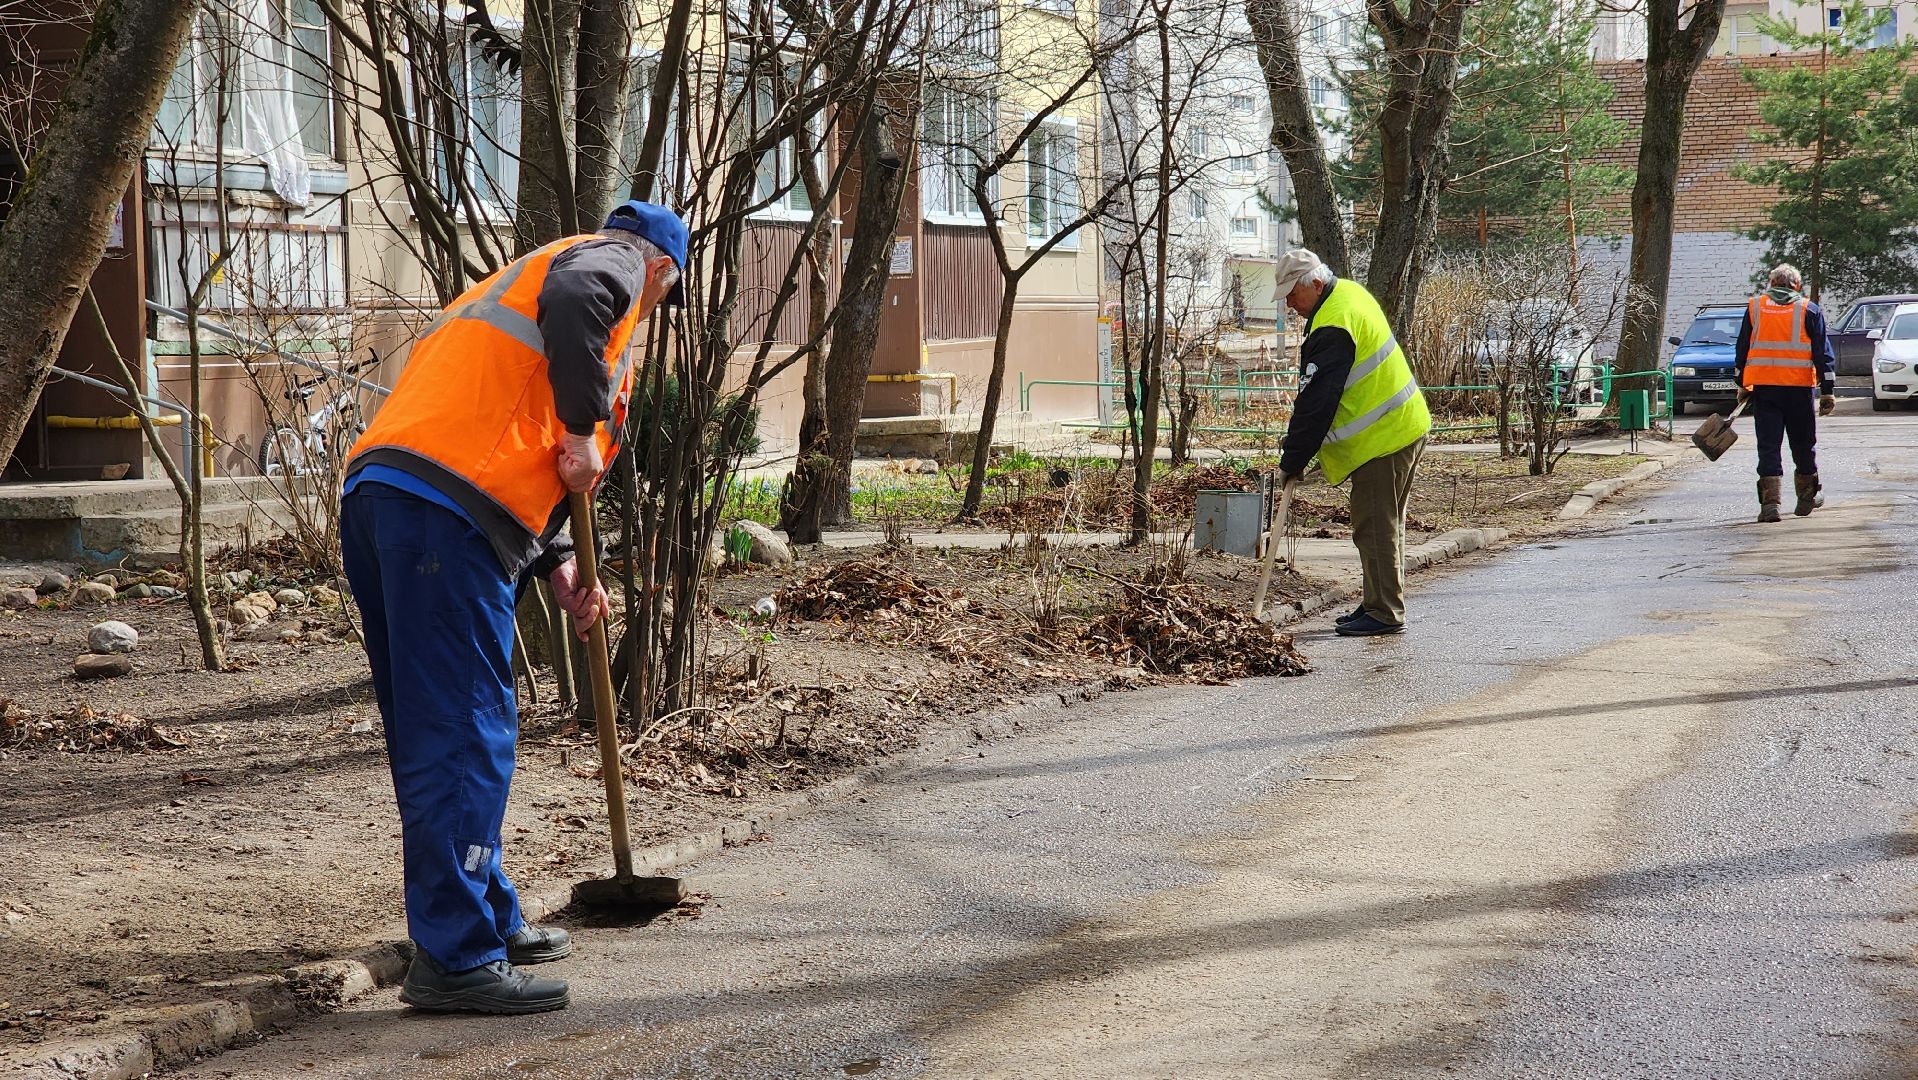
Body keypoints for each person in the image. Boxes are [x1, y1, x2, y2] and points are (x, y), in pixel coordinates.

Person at [338, 201, 686, 1014]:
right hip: (443, 515)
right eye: (663, 295)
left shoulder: (513, 279)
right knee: (463, 731)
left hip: (392, 496)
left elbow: (501, 425)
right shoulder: (612, 265)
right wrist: (586, 426)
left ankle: (485, 912)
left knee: (441, 728)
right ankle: (456, 958)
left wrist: (559, 561)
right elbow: (579, 314)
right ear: (664, 270)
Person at [1272, 249, 1432, 637]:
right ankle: (1380, 598)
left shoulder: (1332, 324)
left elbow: (1317, 402)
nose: (1289, 303)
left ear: (1314, 282)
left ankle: (1384, 611)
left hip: (1383, 438)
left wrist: (1293, 459)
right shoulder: (1348, 294)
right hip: (1403, 425)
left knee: (1374, 526)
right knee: (1386, 525)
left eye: (1292, 293)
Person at [1735, 263, 1835, 522]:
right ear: (1797, 286)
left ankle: (1770, 506)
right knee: (1803, 443)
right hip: (1799, 389)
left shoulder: (1755, 308)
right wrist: (1828, 391)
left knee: (1768, 445)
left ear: (1771, 284)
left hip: (1765, 390)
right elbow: (1822, 355)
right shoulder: (1809, 309)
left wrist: (1742, 385)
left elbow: (1742, 347)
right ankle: (1806, 496)